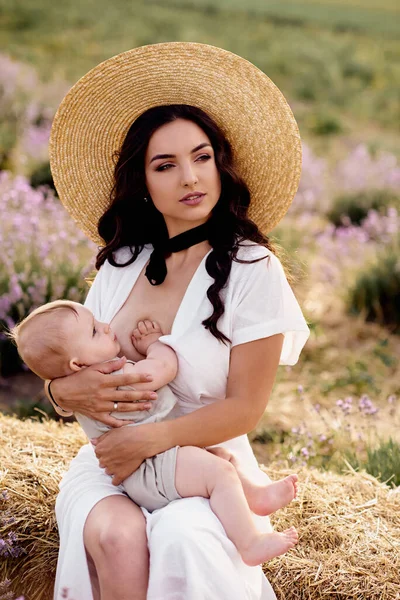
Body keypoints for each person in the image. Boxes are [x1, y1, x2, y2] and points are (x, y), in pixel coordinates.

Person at [46, 42, 310, 600]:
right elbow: (72, 363)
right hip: (115, 462)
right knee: (117, 536)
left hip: (209, 468)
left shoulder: (253, 269)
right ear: (142, 181)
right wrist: (58, 387)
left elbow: (246, 408)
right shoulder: (124, 262)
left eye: (202, 156)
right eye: (166, 165)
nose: (191, 177)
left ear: (221, 162)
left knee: (184, 539)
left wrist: (152, 439)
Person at [11, 300, 299, 567]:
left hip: (156, 456)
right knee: (218, 473)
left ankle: (256, 497)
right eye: (96, 331)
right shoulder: (112, 382)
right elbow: (164, 368)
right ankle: (249, 543)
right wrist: (155, 344)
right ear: (78, 364)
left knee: (222, 457)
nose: (107, 326)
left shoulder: (85, 389)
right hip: (150, 469)